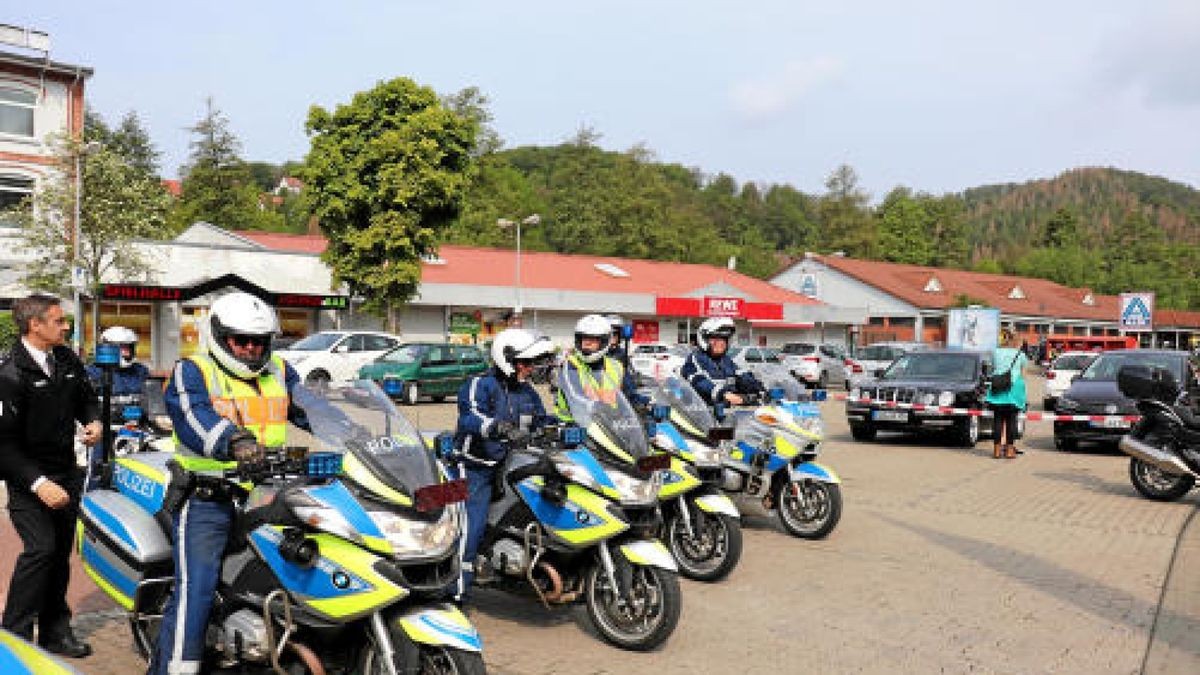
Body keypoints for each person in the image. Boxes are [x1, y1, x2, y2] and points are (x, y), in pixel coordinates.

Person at [148, 292, 307, 675]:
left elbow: (314, 409)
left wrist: (353, 427)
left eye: (259, 341)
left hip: (268, 495)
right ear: (219, 337)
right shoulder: (194, 371)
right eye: (242, 341)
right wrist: (235, 441)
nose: (252, 349)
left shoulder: (282, 370)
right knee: (197, 590)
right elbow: (193, 416)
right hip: (208, 498)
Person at [0, 293, 102, 658]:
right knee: (40, 550)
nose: (66, 326)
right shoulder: (8, 373)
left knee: (60, 555)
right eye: (58, 320)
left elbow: (86, 398)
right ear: (35, 325)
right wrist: (39, 484)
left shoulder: (65, 357)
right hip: (29, 480)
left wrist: (93, 420)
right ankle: (13, 640)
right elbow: (3, 446)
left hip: (66, 474)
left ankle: (55, 633)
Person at [453, 328, 556, 599]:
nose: (529, 368)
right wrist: (499, 427)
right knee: (472, 529)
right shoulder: (480, 384)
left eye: (531, 363)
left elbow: (541, 420)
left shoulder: (527, 392)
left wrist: (564, 427)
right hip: (477, 466)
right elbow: (470, 417)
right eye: (525, 362)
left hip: (512, 465)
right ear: (506, 359)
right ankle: (457, 594)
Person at [84, 325, 152, 488]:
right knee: (98, 470)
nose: (127, 352)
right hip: (104, 431)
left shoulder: (141, 371)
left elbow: (151, 399)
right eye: (122, 348)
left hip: (135, 430)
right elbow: (86, 405)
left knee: (140, 473)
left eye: (129, 348)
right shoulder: (93, 372)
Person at [554, 314, 648, 422]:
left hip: (609, 426)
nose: (586, 343)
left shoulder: (616, 366)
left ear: (604, 341)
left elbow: (629, 394)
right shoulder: (570, 365)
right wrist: (597, 406)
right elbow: (574, 394)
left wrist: (646, 404)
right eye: (583, 338)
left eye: (592, 339)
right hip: (574, 427)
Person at [680, 316, 764, 407]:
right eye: (715, 339)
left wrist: (759, 389)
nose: (721, 343)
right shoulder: (695, 359)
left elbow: (742, 375)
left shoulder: (726, 361)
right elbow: (699, 381)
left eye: (724, 339)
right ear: (704, 339)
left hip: (727, 412)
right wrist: (723, 394)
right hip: (701, 412)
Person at [985, 328, 1028, 460]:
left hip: (998, 388)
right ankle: (1009, 451)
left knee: (997, 420)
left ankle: (997, 450)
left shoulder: (995, 353)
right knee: (1011, 421)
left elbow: (991, 369)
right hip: (1014, 390)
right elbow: (1023, 375)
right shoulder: (1020, 355)